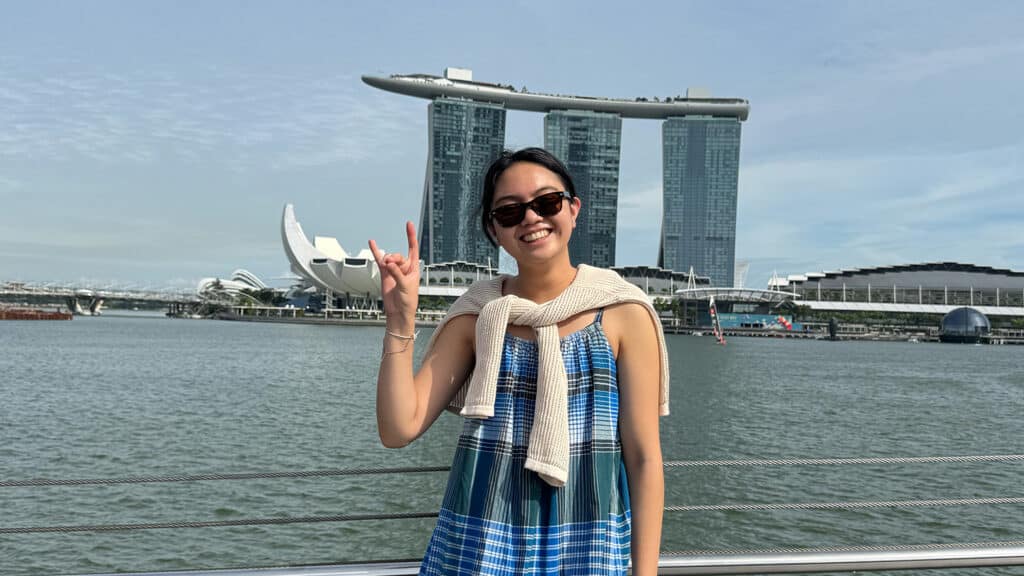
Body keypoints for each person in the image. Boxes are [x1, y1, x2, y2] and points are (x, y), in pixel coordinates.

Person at [369, 147, 669, 576]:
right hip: (478, 540)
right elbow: (399, 428)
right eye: (510, 212)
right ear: (495, 229)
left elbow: (643, 459)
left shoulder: (623, 311)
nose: (531, 218)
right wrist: (400, 320)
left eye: (547, 202)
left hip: (587, 542)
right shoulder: (478, 313)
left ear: (573, 208)